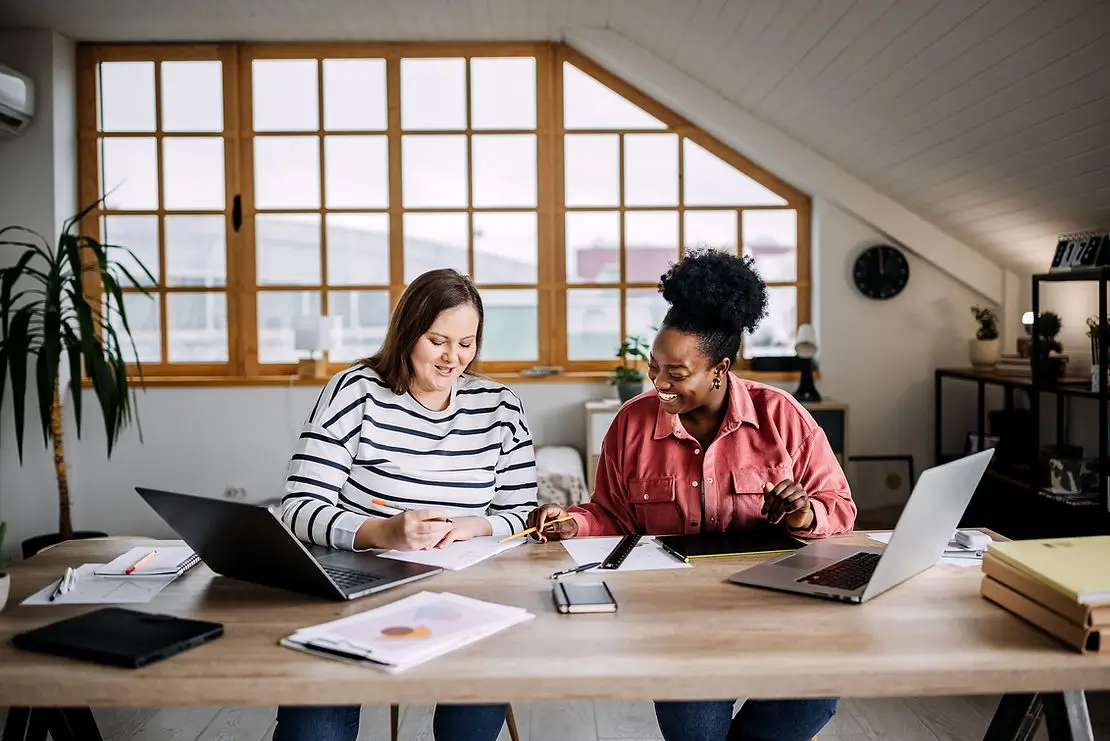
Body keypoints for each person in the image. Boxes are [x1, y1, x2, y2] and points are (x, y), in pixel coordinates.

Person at [527, 249, 855, 741]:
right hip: (678, 620)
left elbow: (841, 510)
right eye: (653, 367)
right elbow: (610, 513)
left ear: (720, 368)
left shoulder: (783, 417)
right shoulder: (631, 425)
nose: (657, 383)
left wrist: (804, 515)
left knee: (813, 698)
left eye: (675, 373)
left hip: (778, 608)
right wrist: (572, 523)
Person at [274, 268, 535, 741]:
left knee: (476, 708)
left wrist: (471, 527)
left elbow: (522, 513)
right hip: (358, 588)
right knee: (314, 725)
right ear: (407, 332)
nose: (453, 358)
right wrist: (382, 531)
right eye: (437, 341)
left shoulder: (500, 406)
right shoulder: (354, 392)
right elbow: (298, 508)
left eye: (467, 343)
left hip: (466, 593)